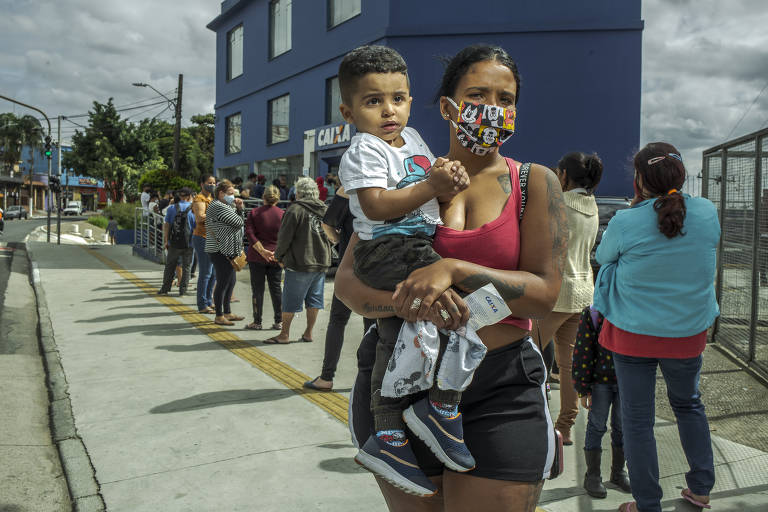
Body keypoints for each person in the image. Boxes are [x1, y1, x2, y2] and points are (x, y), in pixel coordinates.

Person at [336, 44, 565, 510]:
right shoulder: (401, 176)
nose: (493, 109)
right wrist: (408, 303)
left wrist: (455, 269)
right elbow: (349, 286)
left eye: (506, 99)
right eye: (479, 95)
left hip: (502, 387)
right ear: (447, 107)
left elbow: (544, 295)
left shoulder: (533, 183)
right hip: (402, 386)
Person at [333, 45, 473, 491]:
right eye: (373, 101)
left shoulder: (412, 140)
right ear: (349, 111)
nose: (388, 110)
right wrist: (432, 184)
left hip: (414, 244)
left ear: (411, 100)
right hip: (388, 248)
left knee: (402, 335)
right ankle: (438, 408)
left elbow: (433, 183)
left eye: (398, 98)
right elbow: (375, 208)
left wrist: (448, 177)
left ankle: (391, 434)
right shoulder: (364, 148)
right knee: (459, 309)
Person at [593, 142, 720, 512]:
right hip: (688, 333)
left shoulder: (626, 220)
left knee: (637, 420)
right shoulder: (707, 212)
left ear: (638, 179)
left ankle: (648, 503)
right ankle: (701, 489)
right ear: (680, 175)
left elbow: (603, 258)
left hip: (632, 334)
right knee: (689, 404)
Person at [532, 152, 602, 446]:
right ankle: (565, 427)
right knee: (570, 364)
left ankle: (531, 420)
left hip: (555, 294)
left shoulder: (559, 206)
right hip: (583, 291)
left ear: (562, 176)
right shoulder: (592, 207)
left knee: (526, 355)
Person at [304, 186, 376, 392]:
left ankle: (326, 377)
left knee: (338, 320)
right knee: (371, 325)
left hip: (349, 267)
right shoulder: (385, 185)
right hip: (377, 267)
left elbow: (327, 224)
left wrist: (340, 243)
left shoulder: (348, 190)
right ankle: (367, 379)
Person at [571, 305, 631, 499]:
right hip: (600, 382)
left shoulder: (634, 307)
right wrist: (583, 388)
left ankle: (618, 472)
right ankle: (593, 475)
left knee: (622, 427)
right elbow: (583, 350)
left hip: (627, 380)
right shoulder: (594, 313)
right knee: (596, 426)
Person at [264, 177, 333, 344]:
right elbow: (332, 236)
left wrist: (279, 257)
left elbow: (285, 237)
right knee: (314, 300)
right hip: (321, 262)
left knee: (290, 301)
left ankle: (284, 334)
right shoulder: (325, 209)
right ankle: (308, 333)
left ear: (299, 192)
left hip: (300, 262)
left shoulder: (295, 209)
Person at [205, 180, 246, 326]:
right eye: (230, 194)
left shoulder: (226, 205)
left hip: (227, 249)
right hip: (220, 249)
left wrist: (238, 209)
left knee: (230, 281)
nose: (233, 197)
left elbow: (238, 222)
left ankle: (227, 312)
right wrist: (239, 209)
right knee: (223, 282)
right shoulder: (218, 206)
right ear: (221, 193)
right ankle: (219, 315)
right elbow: (239, 222)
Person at [244, 185, 284, 331]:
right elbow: (285, 236)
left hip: (256, 256)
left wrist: (262, 250)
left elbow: (249, 233)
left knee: (257, 290)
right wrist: (274, 252)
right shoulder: (282, 213)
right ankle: (279, 321)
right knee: (276, 289)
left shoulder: (254, 213)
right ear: (277, 198)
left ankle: (257, 321)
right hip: (276, 256)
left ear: (263, 197)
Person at [158, 187, 195, 297]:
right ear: (189, 197)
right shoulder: (193, 208)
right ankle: (182, 291)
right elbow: (196, 226)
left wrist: (166, 240)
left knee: (170, 265)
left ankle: (165, 289)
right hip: (189, 243)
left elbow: (167, 225)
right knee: (187, 267)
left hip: (174, 242)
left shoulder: (171, 208)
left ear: (179, 196)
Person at [192, 174, 217, 314]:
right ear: (202, 184)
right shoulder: (199, 199)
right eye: (209, 182)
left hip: (212, 237)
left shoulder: (211, 199)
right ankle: (202, 304)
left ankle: (208, 300)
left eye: (214, 183)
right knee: (205, 272)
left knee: (213, 273)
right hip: (202, 237)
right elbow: (200, 218)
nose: (212, 185)